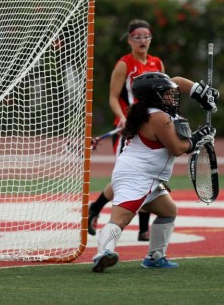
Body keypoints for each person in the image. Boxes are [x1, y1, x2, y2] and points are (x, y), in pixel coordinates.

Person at [88, 19, 219, 241]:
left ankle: (141, 228)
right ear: (129, 40)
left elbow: (169, 89)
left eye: (146, 36)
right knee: (132, 176)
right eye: (137, 36)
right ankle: (100, 208)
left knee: (151, 174)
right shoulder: (124, 64)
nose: (142, 40)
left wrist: (197, 92)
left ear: (150, 39)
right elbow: (112, 97)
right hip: (131, 126)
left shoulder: (156, 62)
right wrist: (121, 118)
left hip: (154, 123)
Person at [91, 72, 216, 272]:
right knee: (120, 219)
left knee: (168, 212)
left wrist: (200, 93)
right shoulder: (157, 117)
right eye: (165, 93)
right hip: (136, 176)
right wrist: (198, 138)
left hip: (148, 177)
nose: (171, 96)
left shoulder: (152, 109)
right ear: (154, 96)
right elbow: (176, 148)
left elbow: (177, 81)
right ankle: (102, 254)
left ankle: (155, 257)